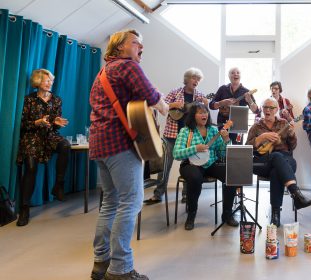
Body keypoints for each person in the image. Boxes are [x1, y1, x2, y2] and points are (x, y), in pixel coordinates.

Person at [89, 29, 168, 280]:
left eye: (141, 44)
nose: (140, 48)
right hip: (120, 145)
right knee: (131, 202)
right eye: (136, 43)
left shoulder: (103, 72)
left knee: (110, 202)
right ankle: (120, 269)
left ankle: (101, 262)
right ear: (119, 46)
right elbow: (152, 96)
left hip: (100, 144)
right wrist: (163, 105)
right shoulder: (127, 67)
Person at [246, 97, 311, 227]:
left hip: (285, 159)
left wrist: (291, 134)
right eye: (265, 107)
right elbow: (247, 148)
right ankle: (296, 194)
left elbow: (293, 146)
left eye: (271, 108)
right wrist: (261, 137)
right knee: (276, 157)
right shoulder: (256, 126)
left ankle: (275, 214)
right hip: (261, 161)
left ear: (276, 109)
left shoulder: (284, 123)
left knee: (276, 170)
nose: (267, 110)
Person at [143, 67, 208, 206]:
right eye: (193, 78)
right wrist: (174, 104)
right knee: (164, 166)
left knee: (189, 166)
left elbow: (204, 114)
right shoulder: (175, 92)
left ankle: (186, 194)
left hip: (189, 137)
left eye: (198, 79)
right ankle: (158, 194)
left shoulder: (200, 96)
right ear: (187, 79)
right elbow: (161, 106)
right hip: (171, 135)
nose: (195, 81)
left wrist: (206, 104)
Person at [16, 69, 70, 226]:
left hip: (48, 136)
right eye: (46, 80)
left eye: (51, 81)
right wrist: (36, 123)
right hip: (32, 136)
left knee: (65, 145)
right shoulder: (29, 100)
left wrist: (55, 122)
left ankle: (59, 184)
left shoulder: (57, 100)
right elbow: (22, 124)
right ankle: (24, 208)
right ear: (38, 82)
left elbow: (54, 124)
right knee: (31, 167)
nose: (50, 83)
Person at [173, 102, 238, 230]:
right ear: (193, 115)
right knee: (195, 177)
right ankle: (191, 214)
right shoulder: (186, 131)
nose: (204, 115)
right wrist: (194, 148)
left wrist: (226, 140)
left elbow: (222, 153)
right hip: (190, 165)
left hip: (210, 163)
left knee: (231, 175)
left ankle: (227, 214)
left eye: (205, 112)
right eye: (200, 112)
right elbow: (176, 154)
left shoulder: (214, 130)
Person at [209, 67, 259, 144]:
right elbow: (211, 106)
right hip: (222, 124)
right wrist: (221, 103)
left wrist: (250, 100)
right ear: (229, 76)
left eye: (238, 73)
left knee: (236, 148)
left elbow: (256, 111)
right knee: (222, 148)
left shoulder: (246, 92)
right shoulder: (222, 89)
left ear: (240, 76)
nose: (235, 74)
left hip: (239, 126)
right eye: (232, 73)